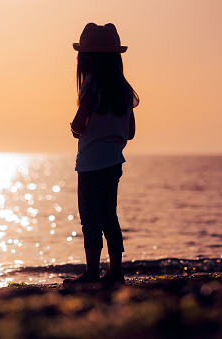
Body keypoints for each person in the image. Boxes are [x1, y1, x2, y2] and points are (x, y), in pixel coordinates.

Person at [63, 23, 139, 286]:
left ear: (88, 59)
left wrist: (75, 129)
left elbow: (78, 123)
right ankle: (115, 271)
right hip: (114, 162)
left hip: (90, 164)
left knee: (90, 219)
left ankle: (93, 272)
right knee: (110, 217)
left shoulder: (91, 87)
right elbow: (130, 132)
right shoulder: (124, 90)